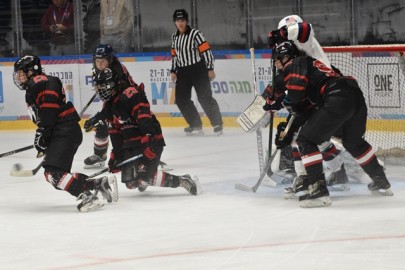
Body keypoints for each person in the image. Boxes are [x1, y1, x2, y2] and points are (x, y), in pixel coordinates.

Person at [270, 41, 393, 208]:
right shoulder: (313, 65)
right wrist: (289, 129)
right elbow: (306, 110)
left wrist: (284, 109)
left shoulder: (295, 63)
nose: (277, 63)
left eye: (278, 59)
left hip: (336, 97)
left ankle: (319, 191)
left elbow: (296, 98)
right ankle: (381, 181)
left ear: (286, 57)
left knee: (306, 140)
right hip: (354, 95)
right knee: (353, 142)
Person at [266, 14, 364, 191]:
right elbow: (285, 81)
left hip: (325, 96)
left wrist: (281, 33)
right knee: (312, 138)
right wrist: (271, 96)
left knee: (301, 137)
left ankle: (309, 179)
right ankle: (335, 173)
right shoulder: (292, 54)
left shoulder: (305, 41)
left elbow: (304, 29)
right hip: (316, 97)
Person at [13, 55, 118, 212]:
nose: (19, 77)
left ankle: (87, 196)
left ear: (32, 71)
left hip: (65, 131)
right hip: (62, 132)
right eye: (18, 74)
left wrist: (43, 131)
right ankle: (98, 184)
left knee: (54, 173)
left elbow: (49, 109)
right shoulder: (34, 86)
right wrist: (45, 137)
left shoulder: (41, 81)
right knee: (56, 176)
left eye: (22, 73)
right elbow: (46, 114)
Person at [88, 67, 200, 195]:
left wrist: (148, 140)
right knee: (130, 182)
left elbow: (144, 118)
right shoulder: (109, 105)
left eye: (101, 85)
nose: (98, 89)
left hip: (149, 137)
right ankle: (145, 171)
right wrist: (116, 156)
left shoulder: (130, 94)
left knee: (143, 178)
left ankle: (182, 180)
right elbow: (115, 132)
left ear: (111, 84)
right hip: (130, 141)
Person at [170, 9, 223, 136]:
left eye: (182, 20)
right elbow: (174, 56)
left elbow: (206, 51)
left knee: (204, 97)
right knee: (181, 99)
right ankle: (195, 124)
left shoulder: (195, 34)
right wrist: (173, 70)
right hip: (182, 71)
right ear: (175, 22)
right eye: (178, 20)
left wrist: (210, 68)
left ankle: (217, 124)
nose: (180, 23)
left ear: (186, 21)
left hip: (198, 69)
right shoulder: (174, 37)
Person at [83, 43, 136, 169]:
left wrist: (99, 116)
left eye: (103, 60)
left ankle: (149, 156)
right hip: (114, 100)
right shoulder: (98, 70)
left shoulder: (117, 72)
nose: (100, 63)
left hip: (129, 101)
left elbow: (116, 100)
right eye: (97, 60)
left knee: (130, 127)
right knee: (102, 123)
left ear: (110, 60)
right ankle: (100, 156)